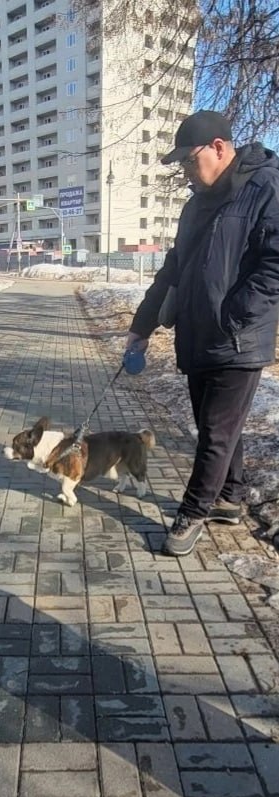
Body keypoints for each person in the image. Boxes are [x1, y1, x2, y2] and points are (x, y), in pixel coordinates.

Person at [126, 110, 279, 556]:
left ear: (218, 147)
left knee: (214, 432)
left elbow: (274, 265)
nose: (186, 171)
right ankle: (229, 498)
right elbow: (173, 269)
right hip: (196, 336)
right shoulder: (196, 205)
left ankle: (193, 510)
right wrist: (141, 326)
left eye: (190, 161)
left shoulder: (266, 188)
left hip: (238, 338)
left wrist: (234, 314)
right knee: (214, 429)